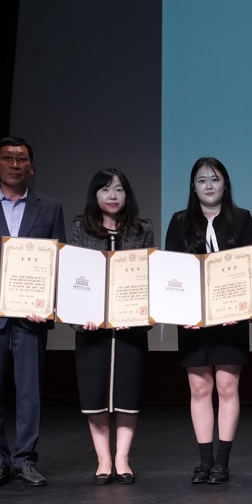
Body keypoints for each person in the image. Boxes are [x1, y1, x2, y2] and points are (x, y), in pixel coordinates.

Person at [0, 137, 66, 489]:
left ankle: (24, 460)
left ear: (32, 167)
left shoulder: (50, 207)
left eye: (22, 159)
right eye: (7, 158)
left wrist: (47, 304)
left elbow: (58, 261)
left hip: (29, 316)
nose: (15, 164)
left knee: (30, 392)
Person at [164, 157, 252, 485]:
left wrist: (238, 310)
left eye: (215, 179)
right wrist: (182, 313)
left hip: (231, 318)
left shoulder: (242, 218)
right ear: (193, 186)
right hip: (193, 319)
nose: (208, 185)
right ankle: (204, 461)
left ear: (225, 184)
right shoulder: (179, 221)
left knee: (227, 387)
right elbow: (172, 272)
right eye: (202, 180)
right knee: (199, 387)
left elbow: (249, 267)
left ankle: (222, 461)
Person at [67, 168, 155, 484]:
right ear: (95, 195)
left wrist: (138, 314)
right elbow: (75, 278)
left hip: (131, 329)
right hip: (92, 330)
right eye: (105, 189)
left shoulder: (142, 230)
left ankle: (122, 457)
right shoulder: (80, 229)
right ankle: (104, 458)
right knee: (94, 394)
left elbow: (148, 276)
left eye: (118, 189)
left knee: (129, 394)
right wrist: (81, 315)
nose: (113, 196)